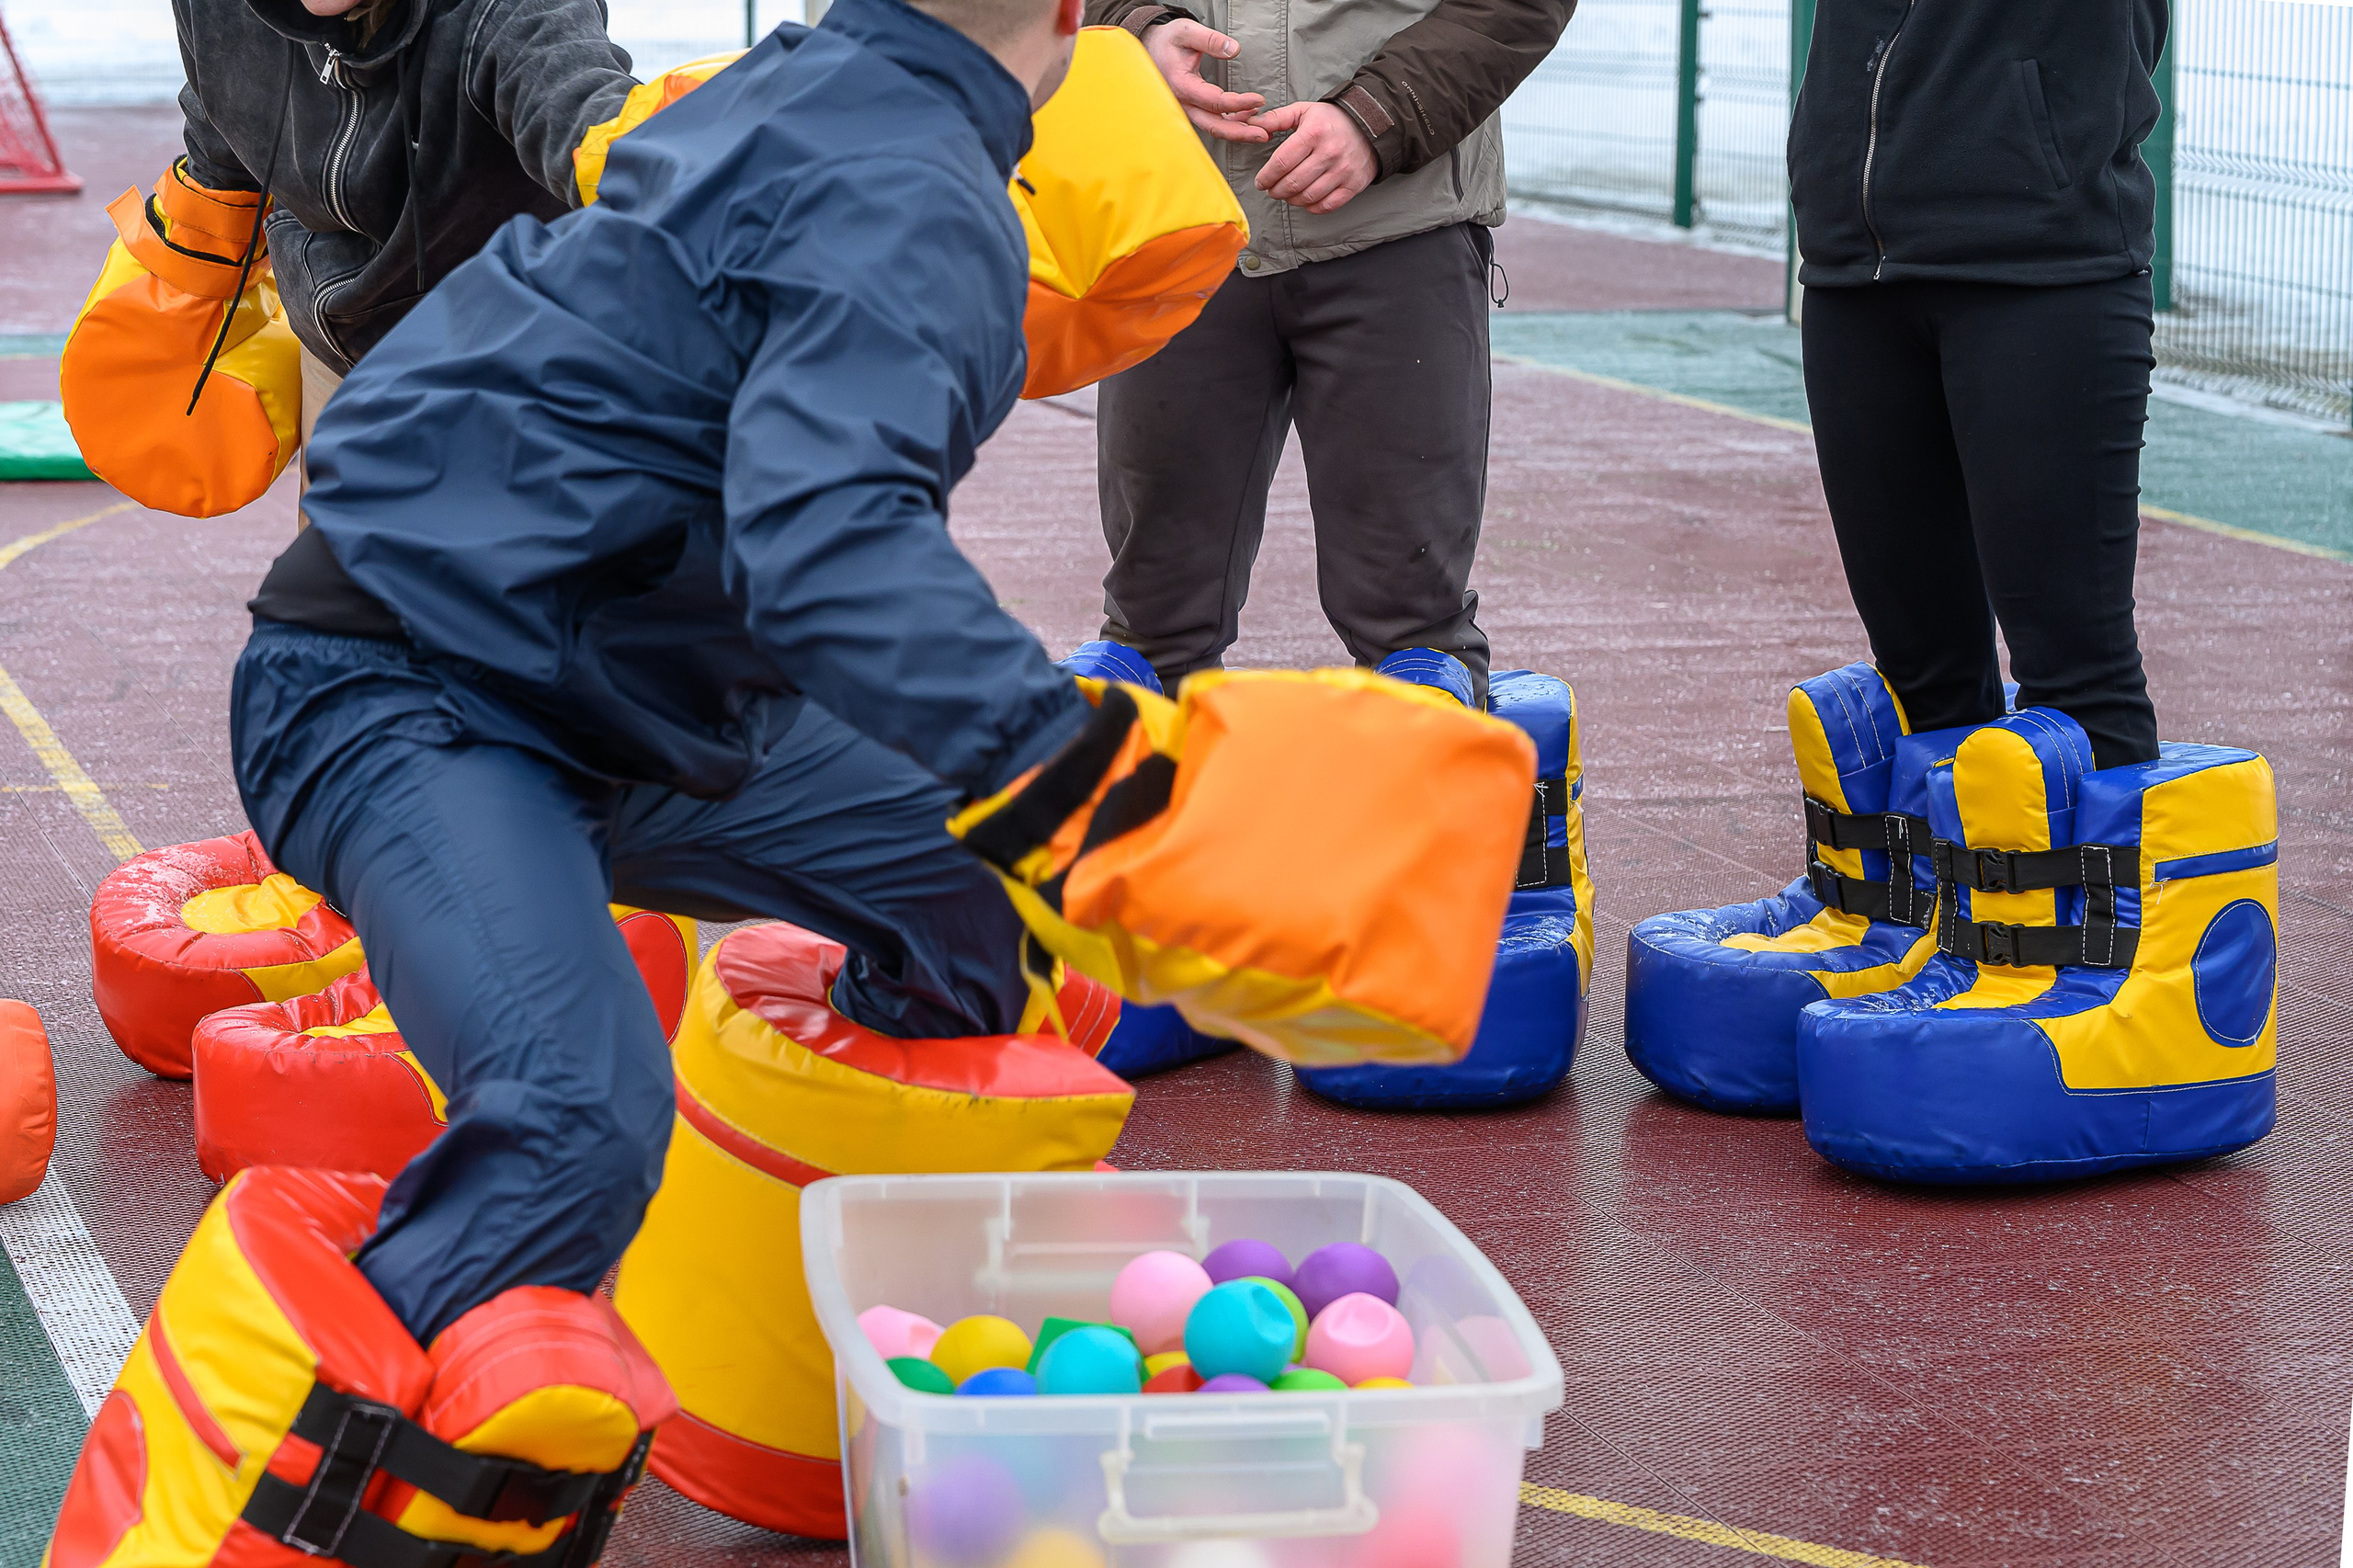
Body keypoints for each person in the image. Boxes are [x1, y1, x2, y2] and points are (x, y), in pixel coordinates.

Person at [1080, 0, 1574, 707]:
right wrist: (1132, 33)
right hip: (1180, 218)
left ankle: (1436, 793)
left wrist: (1379, 116)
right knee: (1148, 631)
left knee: (1413, 637)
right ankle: (1152, 808)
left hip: (1399, 227)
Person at [1789, 0, 2167, 770]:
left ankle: (2092, 897)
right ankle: (1931, 895)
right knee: (1920, 678)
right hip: (1853, 270)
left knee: (2076, 679)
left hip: (2042, 268)